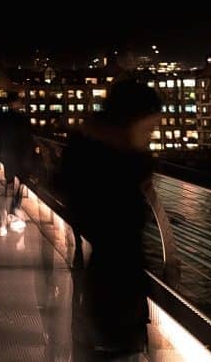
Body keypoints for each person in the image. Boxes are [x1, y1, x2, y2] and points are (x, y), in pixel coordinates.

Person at [56, 79, 161, 361]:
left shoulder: (89, 142)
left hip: (105, 279)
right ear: (133, 118)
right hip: (116, 292)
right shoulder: (118, 159)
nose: (153, 134)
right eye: (150, 127)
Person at [0, 91, 34, 235]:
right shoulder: (23, 119)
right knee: (21, 184)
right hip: (20, 156)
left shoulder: (2, 118)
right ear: (15, 103)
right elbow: (28, 139)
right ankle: (14, 210)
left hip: (6, 155)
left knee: (9, 183)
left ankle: (5, 216)